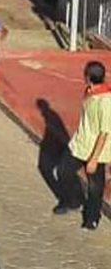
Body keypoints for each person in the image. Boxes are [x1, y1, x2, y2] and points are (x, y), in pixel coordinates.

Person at [53, 61, 111, 231]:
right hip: (80, 144)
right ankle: (73, 200)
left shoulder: (105, 102)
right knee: (63, 171)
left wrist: (94, 159)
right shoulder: (90, 91)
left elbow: (105, 132)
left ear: (88, 77)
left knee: (95, 186)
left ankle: (92, 217)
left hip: (96, 150)